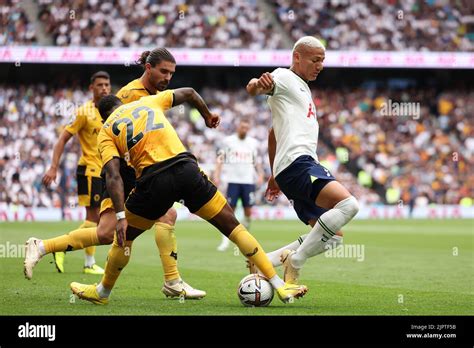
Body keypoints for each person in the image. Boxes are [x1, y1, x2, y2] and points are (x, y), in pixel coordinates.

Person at [69, 90, 308, 305]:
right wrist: (206, 115)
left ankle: (102, 292)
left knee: (124, 240)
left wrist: (120, 215)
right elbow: (190, 93)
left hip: (153, 181)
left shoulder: (106, 131)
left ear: (103, 117)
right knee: (234, 227)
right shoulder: (147, 102)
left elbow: (113, 176)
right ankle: (280, 285)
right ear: (121, 102)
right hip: (186, 170)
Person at [24, 49, 205, 298]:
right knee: (114, 230)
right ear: (149, 69)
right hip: (117, 171)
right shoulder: (129, 95)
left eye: (171, 73)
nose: (168, 78)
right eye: (164, 72)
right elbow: (116, 134)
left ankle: (161, 282)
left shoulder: (151, 94)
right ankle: (50, 250)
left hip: (127, 171)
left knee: (137, 225)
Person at [246, 36, 359, 283]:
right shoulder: (284, 78)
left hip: (290, 169)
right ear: (297, 57)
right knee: (349, 206)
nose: (320, 65)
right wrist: (257, 83)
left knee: (333, 238)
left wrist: (275, 174)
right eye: (315, 60)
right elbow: (254, 87)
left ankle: (265, 261)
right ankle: (295, 261)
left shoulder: (301, 87)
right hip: (299, 164)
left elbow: (273, 133)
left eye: (323, 60)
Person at [40, 71, 112, 275]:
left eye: (107, 84)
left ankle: (72, 252)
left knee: (98, 219)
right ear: (92, 88)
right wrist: (53, 166)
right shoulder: (83, 112)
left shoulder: (112, 110)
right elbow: (62, 138)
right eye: (100, 85)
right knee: (95, 218)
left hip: (105, 172)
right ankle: (80, 258)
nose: (104, 88)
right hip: (90, 170)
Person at [213, 119, 264, 251]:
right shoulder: (228, 141)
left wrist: (260, 174)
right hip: (233, 181)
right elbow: (220, 158)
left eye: (247, 128)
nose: (244, 130)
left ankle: (244, 240)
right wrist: (217, 175)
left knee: (248, 212)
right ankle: (225, 241)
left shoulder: (253, 143)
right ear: (238, 127)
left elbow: (257, 161)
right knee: (230, 212)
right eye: (242, 127)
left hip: (248, 182)